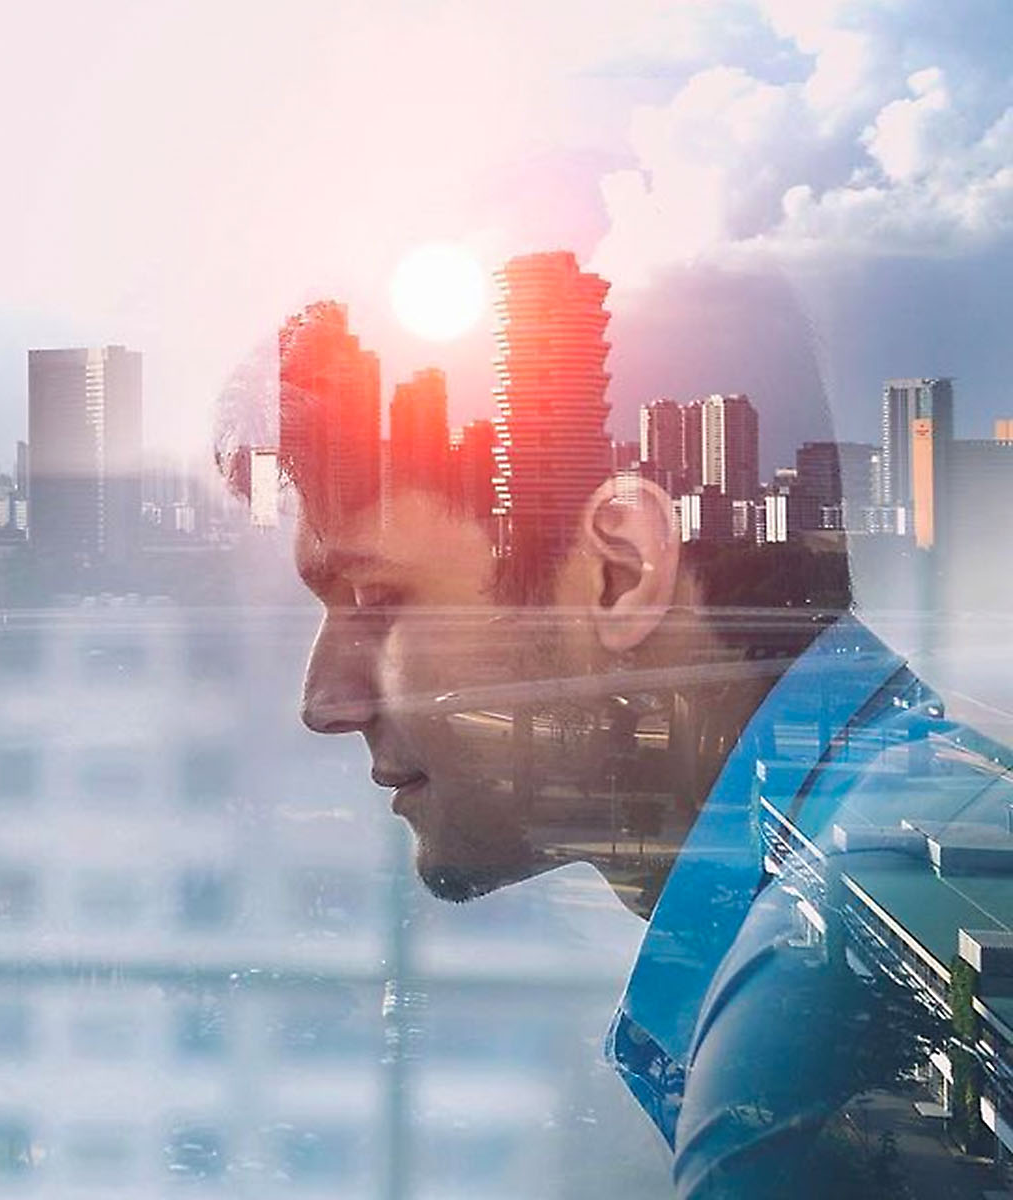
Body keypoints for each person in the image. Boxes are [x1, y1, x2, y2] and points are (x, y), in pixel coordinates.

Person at [219, 256, 1013, 1197]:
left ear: (619, 573)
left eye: (379, 598)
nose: (324, 701)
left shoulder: (813, 1034)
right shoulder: (942, 796)